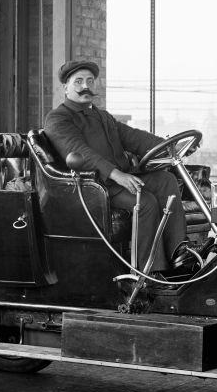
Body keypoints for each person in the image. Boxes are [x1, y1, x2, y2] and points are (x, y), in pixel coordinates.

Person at [44, 59, 196, 275]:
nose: (85, 86)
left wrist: (172, 147)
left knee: (166, 181)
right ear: (65, 88)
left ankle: (178, 255)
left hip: (118, 181)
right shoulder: (58, 118)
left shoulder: (102, 116)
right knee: (145, 202)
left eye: (90, 81)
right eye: (78, 81)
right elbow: (79, 152)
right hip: (92, 186)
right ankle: (148, 273)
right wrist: (116, 174)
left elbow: (135, 138)